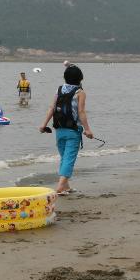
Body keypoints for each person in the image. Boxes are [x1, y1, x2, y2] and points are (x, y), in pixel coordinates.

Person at [39, 65, 95, 195]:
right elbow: (81, 112)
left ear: (65, 77)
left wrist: (43, 125)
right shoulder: (80, 92)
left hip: (59, 129)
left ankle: (66, 186)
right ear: (80, 78)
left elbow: (51, 108)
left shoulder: (59, 90)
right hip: (73, 131)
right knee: (69, 159)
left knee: (64, 158)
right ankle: (59, 187)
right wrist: (87, 130)